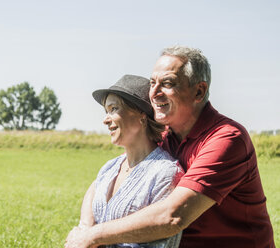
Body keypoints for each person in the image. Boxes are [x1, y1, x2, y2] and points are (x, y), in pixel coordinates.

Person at [65, 46, 275, 248]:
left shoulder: (226, 138)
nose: (153, 93)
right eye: (152, 83)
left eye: (167, 83)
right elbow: (104, 180)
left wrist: (93, 236)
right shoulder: (165, 136)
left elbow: (173, 215)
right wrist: (85, 226)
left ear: (199, 91)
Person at [66, 74, 185, 248]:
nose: (105, 120)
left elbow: (165, 240)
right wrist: (84, 228)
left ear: (142, 115)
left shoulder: (165, 173)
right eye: (106, 111)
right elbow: (93, 192)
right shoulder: (110, 167)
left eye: (114, 109)